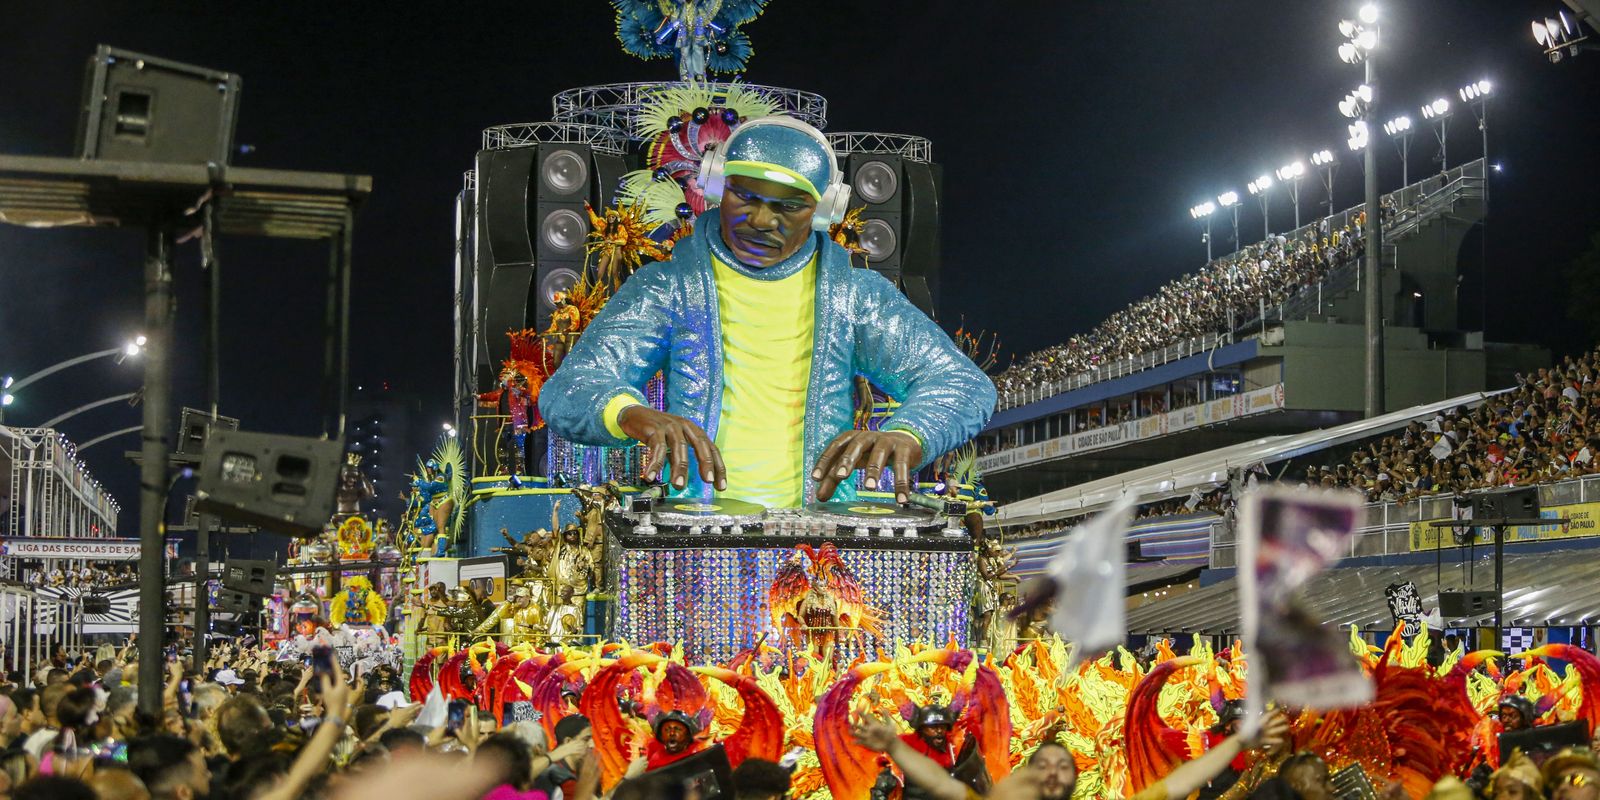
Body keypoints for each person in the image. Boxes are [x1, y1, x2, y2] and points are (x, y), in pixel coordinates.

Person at [540, 116, 994, 509]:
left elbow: (963, 384)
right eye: (745, 198)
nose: (759, 221)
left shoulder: (854, 298)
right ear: (718, 187)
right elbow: (568, 391)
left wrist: (910, 434)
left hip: (817, 547)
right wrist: (631, 414)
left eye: (788, 206)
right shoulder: (668, 288)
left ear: (823, 210)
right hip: (697, 539)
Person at [535, 714, 593, 800]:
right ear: (568, 741)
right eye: (586, 739)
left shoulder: (585, 769)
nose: (592, 745)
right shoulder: (552, 777)